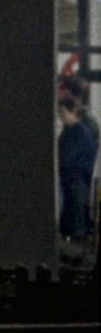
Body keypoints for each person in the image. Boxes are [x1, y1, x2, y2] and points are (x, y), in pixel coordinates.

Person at [59, 94, 99, 240]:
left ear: (73, 111)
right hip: (73, 181)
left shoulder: (78, 132)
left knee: (77, 222)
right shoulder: (70, 131)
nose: (61, 116)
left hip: (78, 181)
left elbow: (66, 158)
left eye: (63, 112)